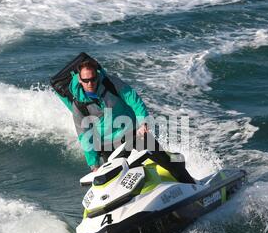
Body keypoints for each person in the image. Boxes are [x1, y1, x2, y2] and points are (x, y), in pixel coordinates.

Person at [53, 57, 195, 183]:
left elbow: (134, 100)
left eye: (93, 79)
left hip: (132, 133)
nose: (90, 83)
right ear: (80, 79)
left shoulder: (111, 83)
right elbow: (85, 136)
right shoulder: (78, 104)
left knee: (165, 160)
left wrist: (143, 122)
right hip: (106, 143)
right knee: (117, 181)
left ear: (97, 75)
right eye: (86, 80)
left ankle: (191, 184)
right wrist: (94, 165)